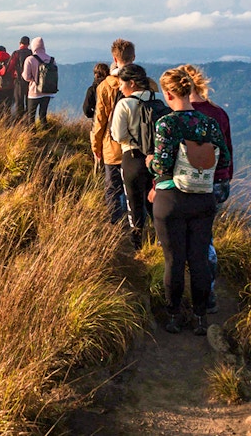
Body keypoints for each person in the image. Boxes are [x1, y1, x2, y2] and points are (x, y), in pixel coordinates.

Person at [146, 68, 230, 336]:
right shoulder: (209, 123)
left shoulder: (166, 124)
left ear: (168, 93)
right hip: (203, 199)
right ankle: (201, 318)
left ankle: (173, 317)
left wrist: (150, 162)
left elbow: (162, 165)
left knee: (174, 261)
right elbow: (224, 158)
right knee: (198, 261)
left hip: (171, 200)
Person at [180, 63, 234, 314]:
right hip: (219, 184)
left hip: (195, 185)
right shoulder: (219, 113)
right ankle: (208, 291)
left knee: (196, 240)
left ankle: (200, 295)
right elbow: (228, 152)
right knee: (207, 235)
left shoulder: (183, 116)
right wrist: (225, 178)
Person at [92, 39, 158, 224]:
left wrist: (96, 146)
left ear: (114, 58)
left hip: (113, 147)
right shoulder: (149, 83)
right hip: (144, 147)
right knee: (144, 189)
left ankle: (117, 227)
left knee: (113, 188)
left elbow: (100, 120)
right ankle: (148, 228)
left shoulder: (105, 86)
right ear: (134, 57)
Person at [110, 64, 155, 250]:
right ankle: (160, 239)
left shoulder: (125, 104)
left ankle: (137, 244)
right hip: (156, 158)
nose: (120, 88)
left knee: (134, 202)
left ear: (132, 83)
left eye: (122, 84)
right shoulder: (158, 100)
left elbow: (118, 136)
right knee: (154, 201)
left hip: (132, 156)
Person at [22, 36, 56, 128]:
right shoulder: (51, 59)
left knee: (31, 116)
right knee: (43, 115)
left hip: (34, 92)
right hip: (48, 91)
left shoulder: (30, 59)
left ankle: (32, 135)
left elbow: (26, 77)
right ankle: (45, 132)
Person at [9, 36, 32, 122]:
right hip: (30, 82)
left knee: (19, 102)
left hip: (19, 81)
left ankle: (20, 121)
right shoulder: (32, 53)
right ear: (28, 44)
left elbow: (10, 67)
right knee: (29, 102)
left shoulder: (16, 53)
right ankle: (29, 120)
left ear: (20, 43)